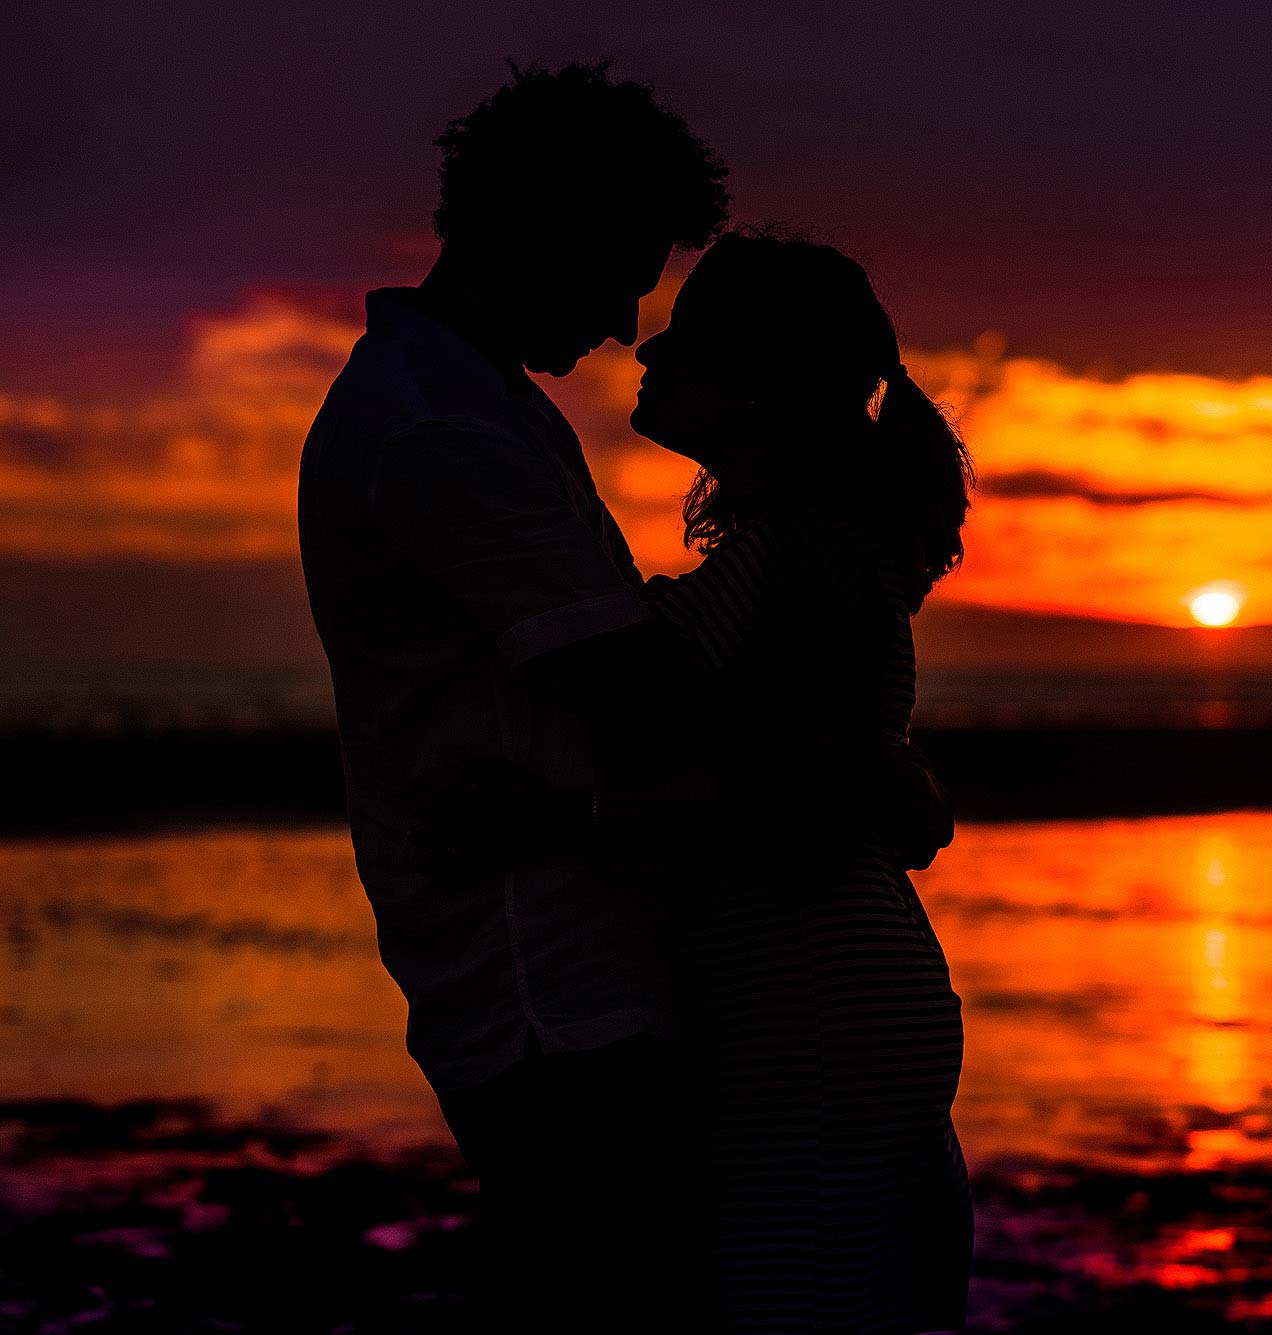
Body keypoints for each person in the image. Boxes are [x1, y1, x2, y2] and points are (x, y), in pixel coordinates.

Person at [296, 66, 950, 1330]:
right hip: (550, 991)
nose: (621, 326)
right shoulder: (448, 427)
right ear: (547, 230)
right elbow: (673, 704)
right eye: (621, 275)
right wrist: (871, 778)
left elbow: (712, 705)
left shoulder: (481, 411)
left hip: (630, 991)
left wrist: (863, 771)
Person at [621, 229, 976, 1333]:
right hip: (846, 983)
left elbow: (637, 702)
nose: (644, 354)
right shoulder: (818, 557)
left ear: (752, 387)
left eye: (680, 341)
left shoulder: (778, 563)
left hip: (802, 998)